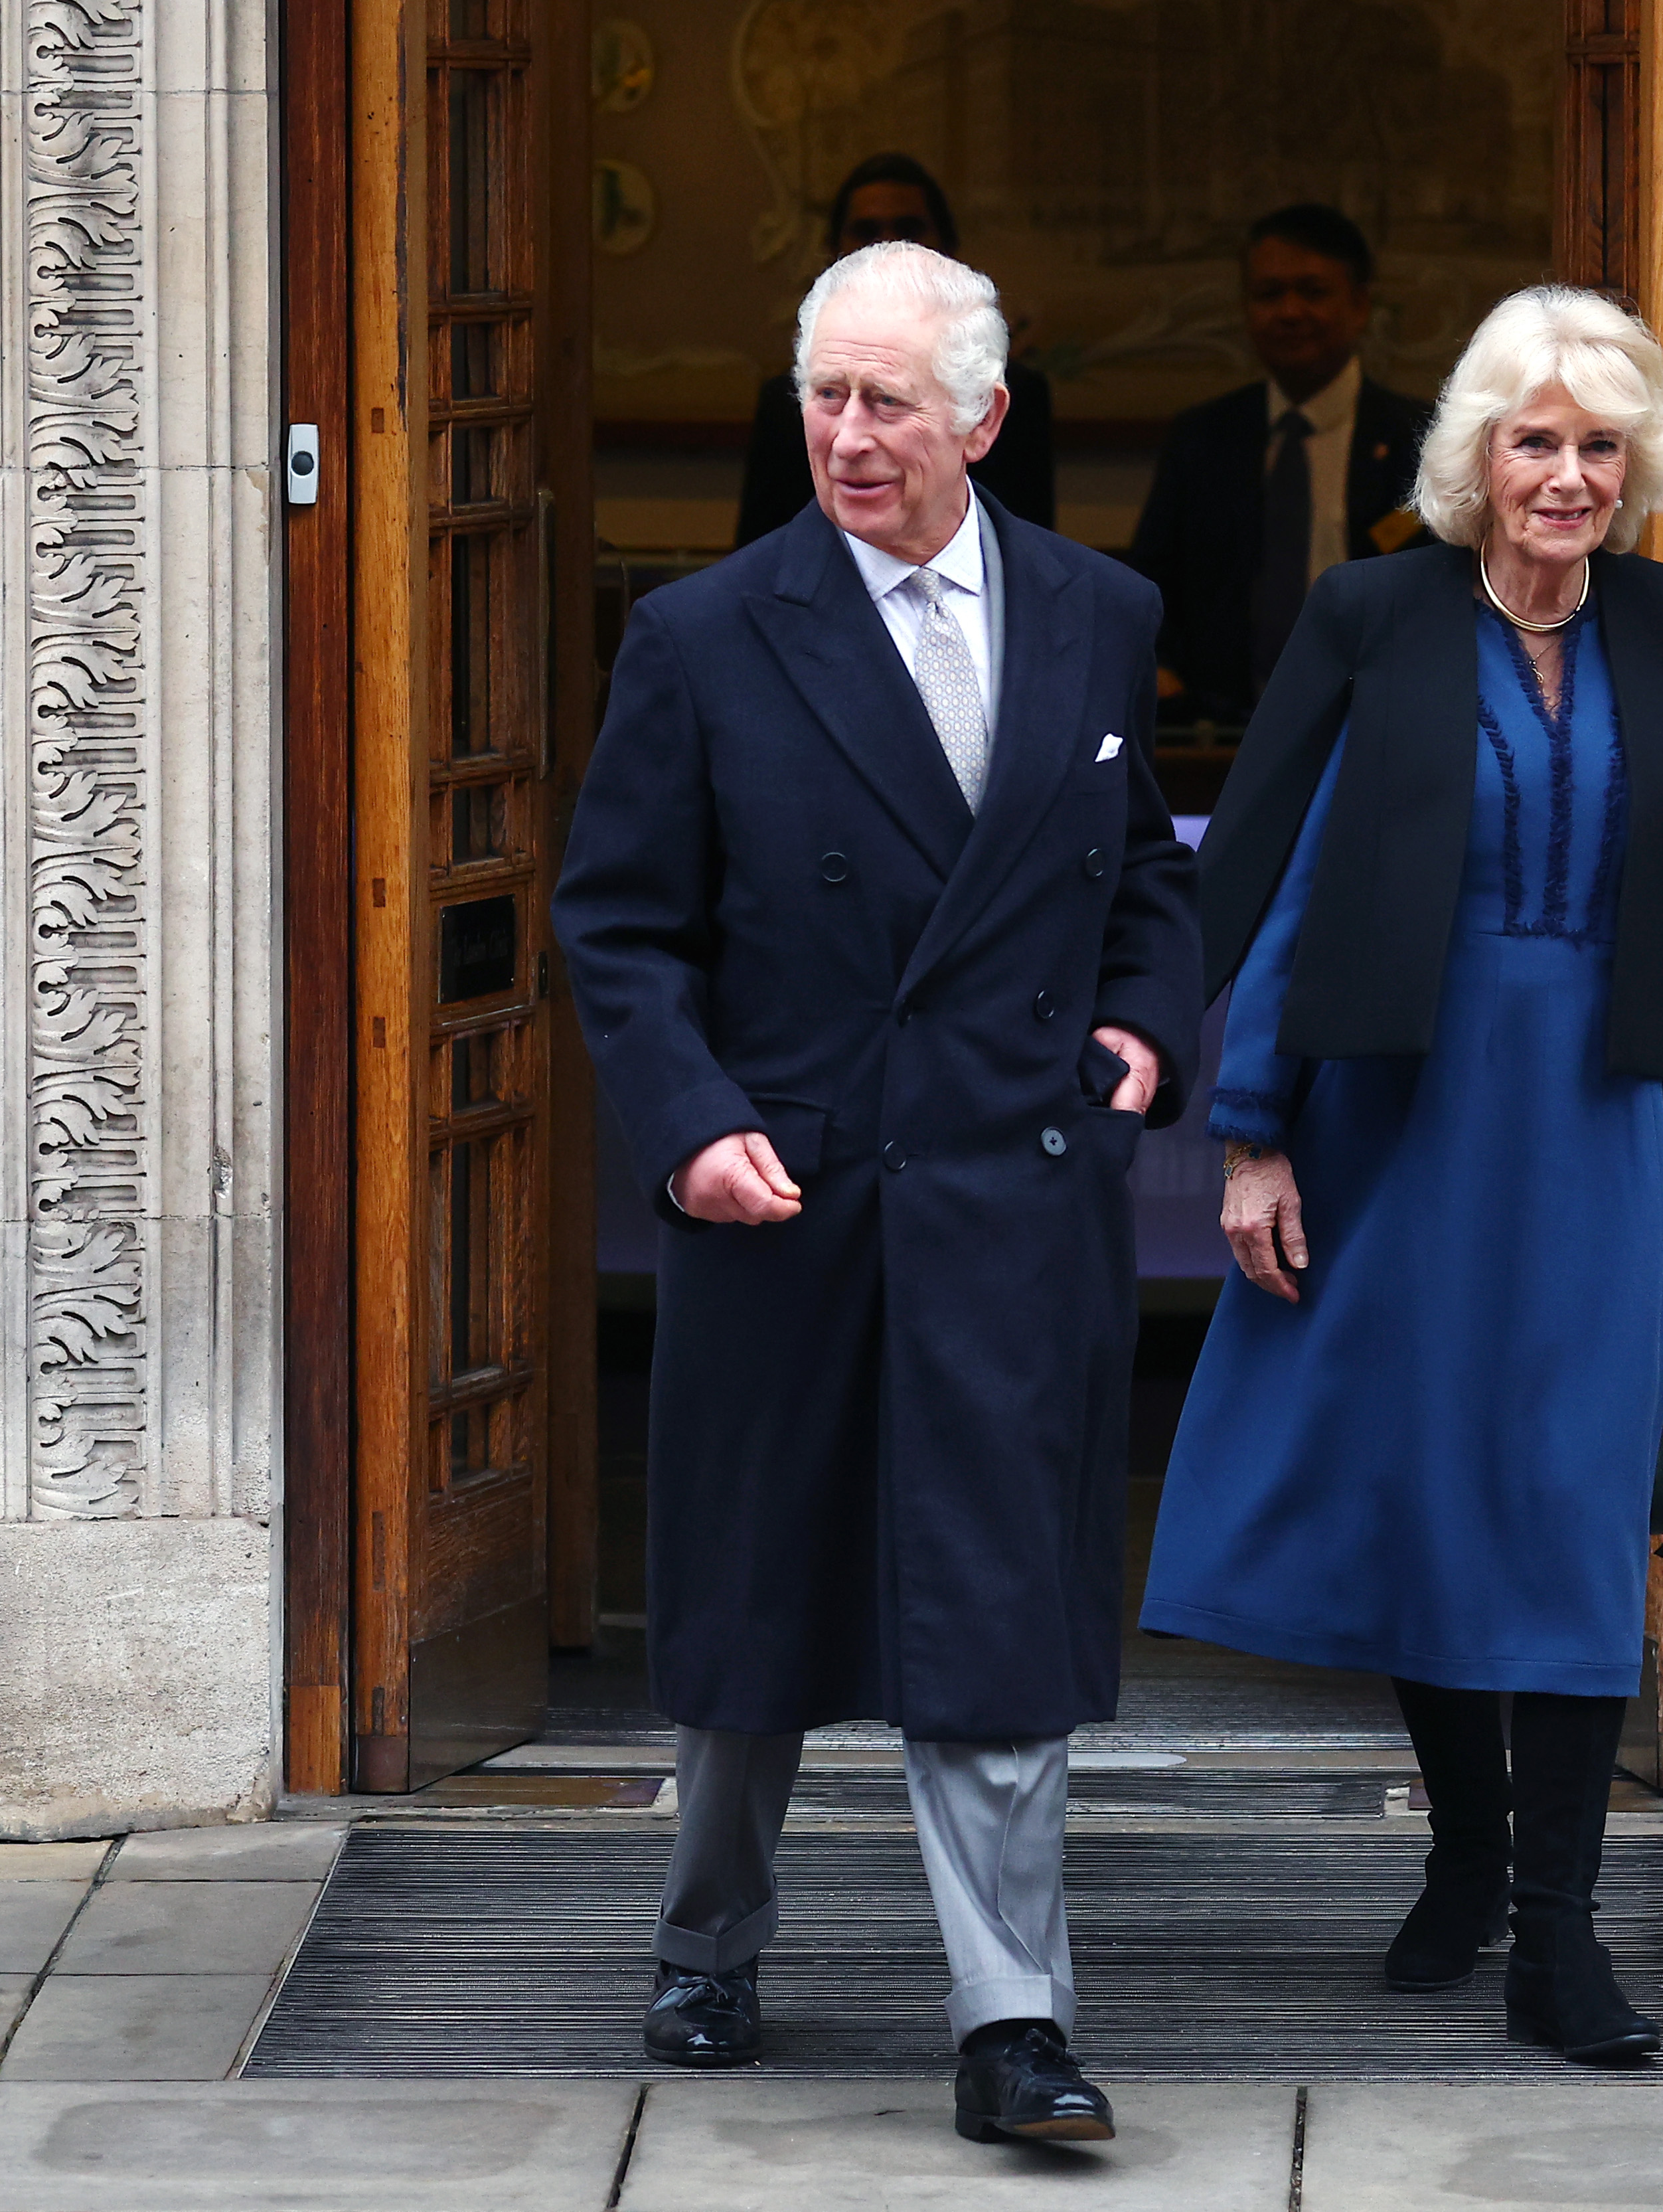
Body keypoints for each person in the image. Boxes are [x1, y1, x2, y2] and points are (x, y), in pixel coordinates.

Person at [554, 242, 1198, 2140]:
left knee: (993, 1610)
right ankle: (709, 1938)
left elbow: (1143, 872)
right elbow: (620, 926)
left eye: (884, 401)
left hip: (1012, 1191)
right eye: (821, 395)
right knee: (760, 1611)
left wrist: (1147, 1028)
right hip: (790, 1191)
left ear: (980, 419)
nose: (843, 434)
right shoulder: (701, 635)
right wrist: (684, 1122)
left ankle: (1012, 2024)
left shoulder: (1100, 611)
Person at [1138, 286, 1663, 2065]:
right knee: (1430, 1480)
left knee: (1569, 1500)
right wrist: (1246, 1136)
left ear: (1635, 472)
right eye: (1535, 441)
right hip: (1397, 1111)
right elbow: (1292, 877)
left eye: (1599, 446)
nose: (1565, 478)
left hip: (1600, 1114)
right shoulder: (1373, 614)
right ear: (1474, 457)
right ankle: (1468, 1850)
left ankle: (1557, 1935)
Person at [1128, 204, 1430, 724]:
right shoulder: (1201, 439)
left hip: (1384, 725)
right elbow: (1150, 585)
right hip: (1222, 736)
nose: (1289, 312)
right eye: (1269, 294)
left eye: (1312, 292)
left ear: (1359, 305)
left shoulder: (1423, 441)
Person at [734, 153, 1056, 545]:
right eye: (865, 230)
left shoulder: (1013, 394)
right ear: (834, 248)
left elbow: (1031, 545)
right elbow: (760, 552)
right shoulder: (785, 402)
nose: (886, 245)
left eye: (890, 399)